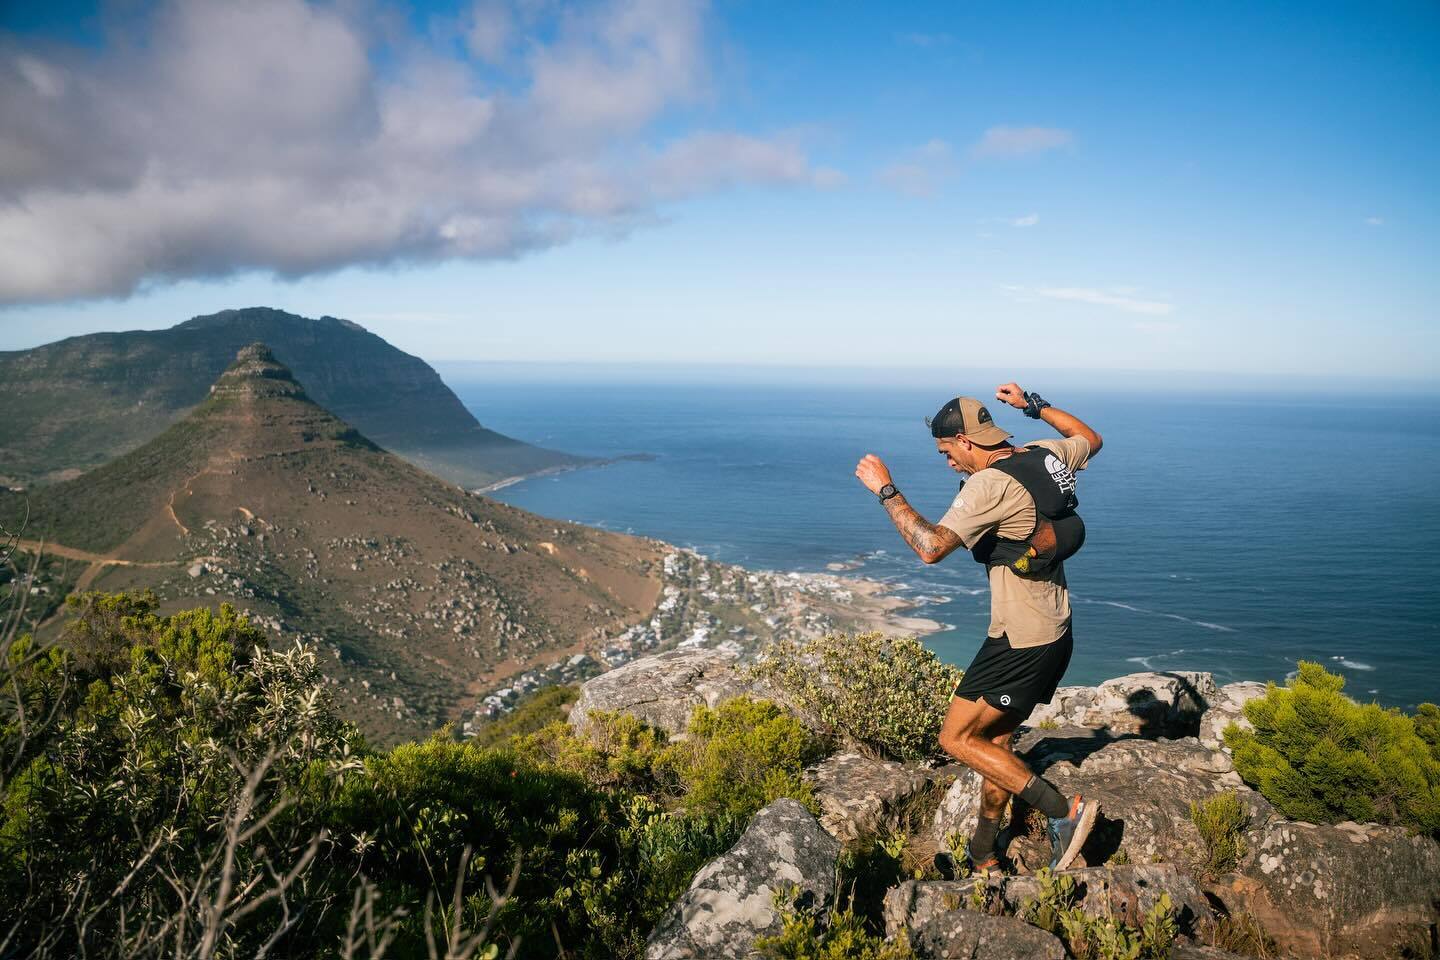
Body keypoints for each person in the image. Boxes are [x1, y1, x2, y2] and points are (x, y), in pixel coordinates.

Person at [854, 382, 1104, 874]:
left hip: (1022, 640)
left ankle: (1064, 813)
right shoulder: (1043, 454)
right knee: (997, 743)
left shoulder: (988, 486)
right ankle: (984, 852)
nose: (947, 462)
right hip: (1052, 629)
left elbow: (930, 546)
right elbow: (1089, 437)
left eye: (947, 451)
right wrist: (1033, 406)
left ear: (968, 443)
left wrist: (886, 490)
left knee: (957, 739)